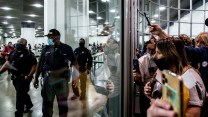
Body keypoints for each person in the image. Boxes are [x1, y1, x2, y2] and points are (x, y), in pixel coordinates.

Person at [144, 38, 206, 116]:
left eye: (159, 53)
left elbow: (194, 114)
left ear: (171, 55)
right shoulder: (170, 72)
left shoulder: (188, 79)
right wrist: (150, 90)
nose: (155, 57)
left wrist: (160, 108)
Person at [33, 29, 78, 117]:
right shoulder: (45, 48)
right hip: (48, 80)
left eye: (51, 36)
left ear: (57, 37)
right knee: (47, 105)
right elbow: (40, 64)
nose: (49, 38)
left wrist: (75, 79)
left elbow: (74, 63)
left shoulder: (67, 48)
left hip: (61, 81)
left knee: (62, 105)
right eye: (48, 37)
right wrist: (36, 78)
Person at [0, 38, 37, 117]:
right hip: (15, 78)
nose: (17, 44)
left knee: (19, 96)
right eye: (17, 42)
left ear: (24, 45)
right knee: (22, 93)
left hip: (24, 78)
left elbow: (34, 67)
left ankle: (19, 113)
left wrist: (29, 76)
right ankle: (29, 104)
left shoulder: (29, 54)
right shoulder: (13, 53)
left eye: (20, 43)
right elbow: (7, 64)